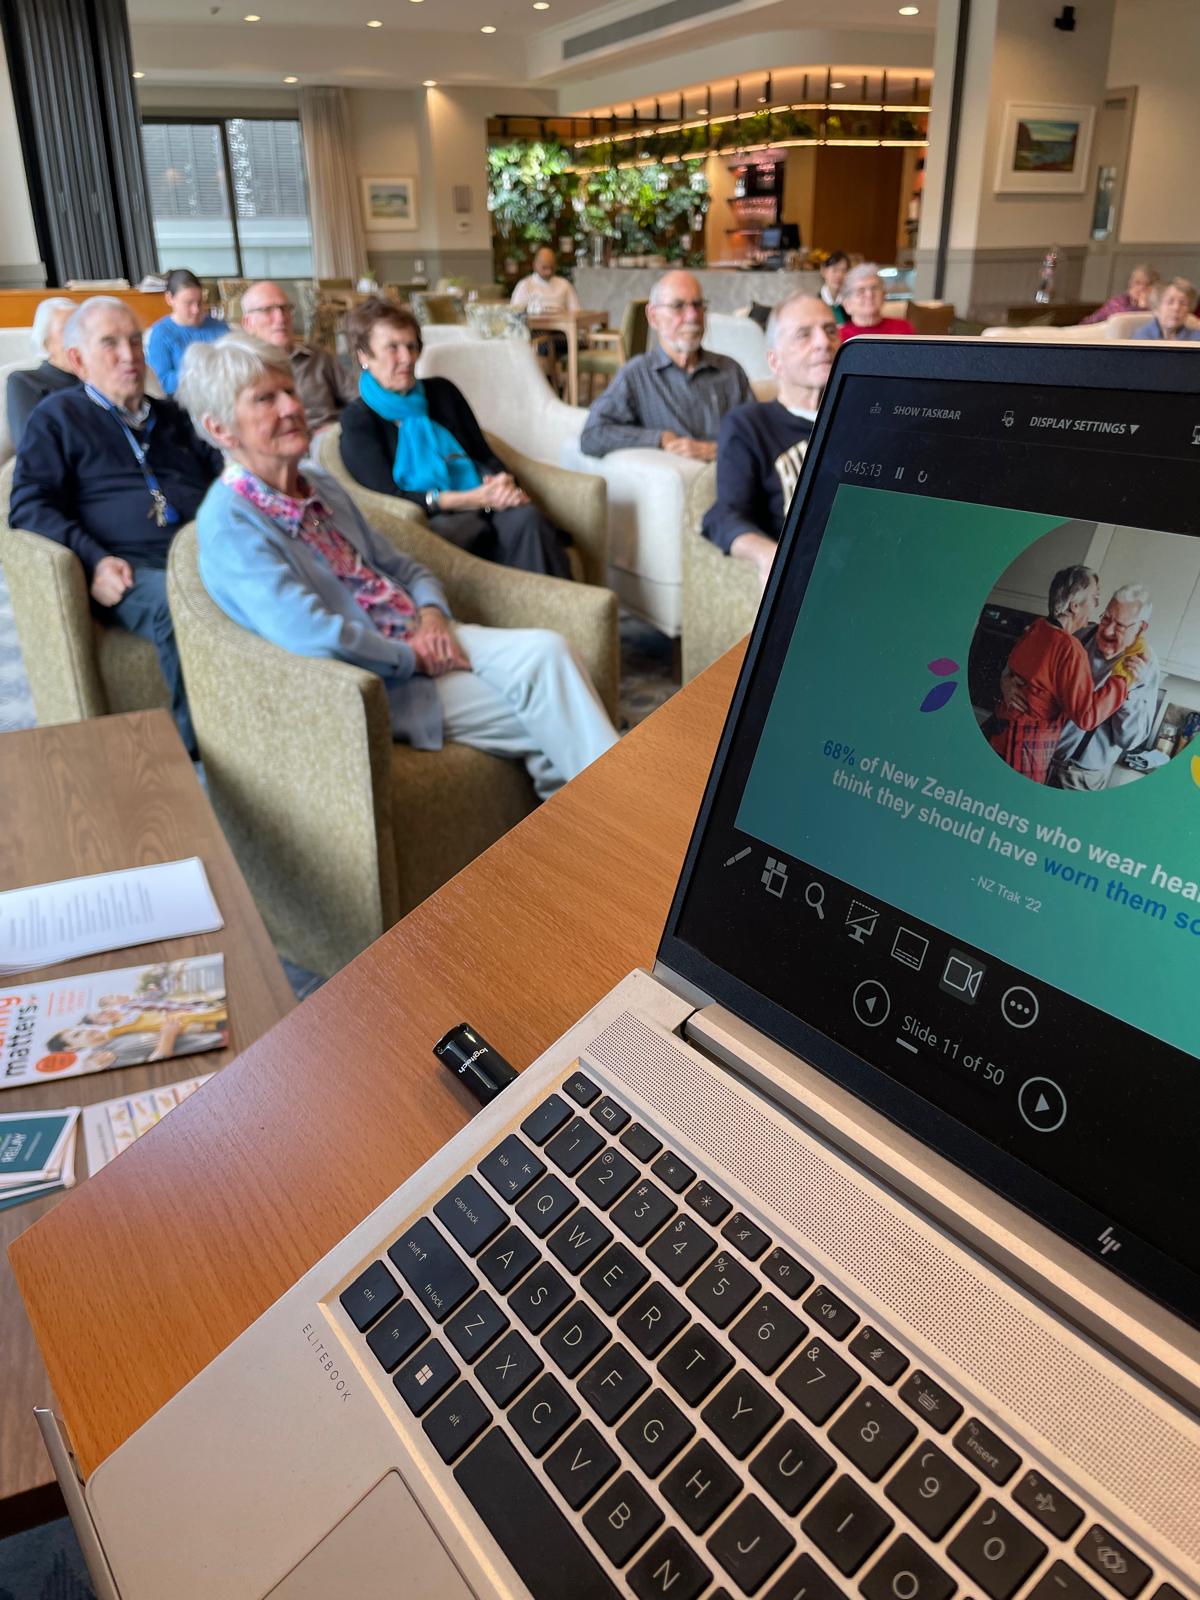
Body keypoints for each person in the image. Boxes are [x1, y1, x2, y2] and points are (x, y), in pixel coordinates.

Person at [177, 333, 617, 798]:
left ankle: (583, 828)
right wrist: (413, 657)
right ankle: (637, 828)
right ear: (221, 429)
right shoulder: (230, 525)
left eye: (289, 390)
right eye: (265, 399)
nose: (290, 406)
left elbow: (404, 567)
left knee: (550, 652)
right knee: (556, 716)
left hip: (427, 634)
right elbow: (315, 635)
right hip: (384, 682)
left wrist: (431, 617)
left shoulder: (319, 485)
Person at [10, 297, 221, 752]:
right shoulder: (57, 418)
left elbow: (224, 475)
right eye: (110, 343)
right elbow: (28, 507)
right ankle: (206, 757)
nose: (129, 355)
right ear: (78, 360)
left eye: (134, 341)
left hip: (205, 550)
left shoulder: (173, 416)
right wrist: (93, 560)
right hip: (128, 565)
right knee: (178, 605)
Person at [338, 298, 570, 578]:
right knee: (469, 535)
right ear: (364, 354)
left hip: (484, 499)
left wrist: (502, 481)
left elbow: (484, 455)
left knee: (528, 519)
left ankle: (560, 615)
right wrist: (470, 498)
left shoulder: (442, 392)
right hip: (431, 519)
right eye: (393, 348)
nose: (407, 358)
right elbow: (388, 498)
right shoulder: (359, 419)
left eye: (412, 346)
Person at [702, 294, 838, 585]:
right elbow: (724, 515)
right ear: (775, 361)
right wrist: (768, 555)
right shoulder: (751, 425)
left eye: (830, 330)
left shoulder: (864, 419)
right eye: (804, 334)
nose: (823, 343)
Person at [988, 565, 1144, 784]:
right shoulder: (1069, 647)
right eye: (1095, 598)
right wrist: (1121, 679)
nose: (1096, 606)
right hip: (1024, 752)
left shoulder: (1037, 627)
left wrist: (1005, 681)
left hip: (999, 736)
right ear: (1075, 606)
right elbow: (1087, 716)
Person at [579, 269, 752, 460]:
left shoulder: (730, 370)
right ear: (653, 317)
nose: (692, 316)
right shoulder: (638, 375)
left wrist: (716, 449)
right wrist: (660, 438)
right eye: (678, 306)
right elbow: (592, 435)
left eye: (698, 305)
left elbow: (758, 434)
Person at [239, 279, 354, 430]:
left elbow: (357, 399)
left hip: (331, 440)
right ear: (248, 323)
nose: (281, 318)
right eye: (267, 310)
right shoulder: (240, 369)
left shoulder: (318, 357)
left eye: (284, 308)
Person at [6, 296, 80, 449]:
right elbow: (29, 447)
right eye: (67, 329)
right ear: (46, 342)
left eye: (81, 329)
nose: (78, 337)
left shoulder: (99, 380)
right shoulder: (24, 381)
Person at [145, 269, 225, 395]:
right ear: (170, 298)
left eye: (199, 302)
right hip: (182, 405)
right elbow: (162, 383)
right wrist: (199, 371)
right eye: (188, 303)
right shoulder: (161, 334)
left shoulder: (220, 327)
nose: (196, 310)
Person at [838, 264, 915, 341]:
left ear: (884, 294)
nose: (869, 295)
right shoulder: (839, 336)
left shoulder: (903, 328)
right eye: (861, 290)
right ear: (847, 304)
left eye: (874, 288)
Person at [510, 247, 580, 316]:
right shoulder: (524, 285)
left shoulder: (565, 284)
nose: (548, 272)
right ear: (534, 265)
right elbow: (515, 313)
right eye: (544, 268)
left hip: (561, 325)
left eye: (551, 268)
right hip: (534, 325)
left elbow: (576, 311)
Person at [1080, 264, 1158, 325]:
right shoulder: (1116, 303)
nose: (1141, 288)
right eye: (1137, 283)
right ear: (1130, 284)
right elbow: (1089, 322)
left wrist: (1144, 307)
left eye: (1147, 285)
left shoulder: (1158, 306)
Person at [1132, 277, 1200, 341]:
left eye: (1183, 303)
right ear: (1156, 308)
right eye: (1170, 302)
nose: (1176, 308)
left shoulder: (1196, 339)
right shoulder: (1141, 337)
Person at [818, 251, 850, 325]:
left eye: (844, 271)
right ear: (823, 271)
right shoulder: (815, 303)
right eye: (834, 270)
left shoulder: (851, 304)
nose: (839, 275)